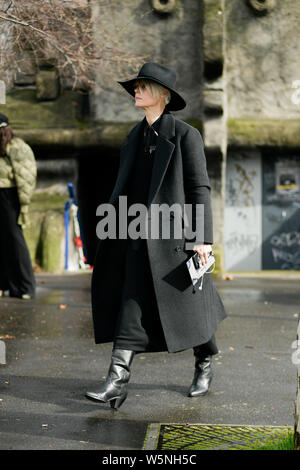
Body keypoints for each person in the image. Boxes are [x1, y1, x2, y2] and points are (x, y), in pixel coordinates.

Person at [86, 63, 227, 409]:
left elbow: (199, 188)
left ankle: (204, 360)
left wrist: (202, 238)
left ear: (163, 96)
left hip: (175, 240)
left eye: (144, 86)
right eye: (135, 86)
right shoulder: (134, 137)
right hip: (135, 237)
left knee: (192, 312)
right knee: (130, 307)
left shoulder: (185, 136)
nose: (136, 91)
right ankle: (116, 381)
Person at [0, 113, 36, 300]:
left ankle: (25, 286)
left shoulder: (17, 147)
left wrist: (24, 205)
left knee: (15, 240)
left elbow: (26, 178)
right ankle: (6, 284)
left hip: (9, 196)